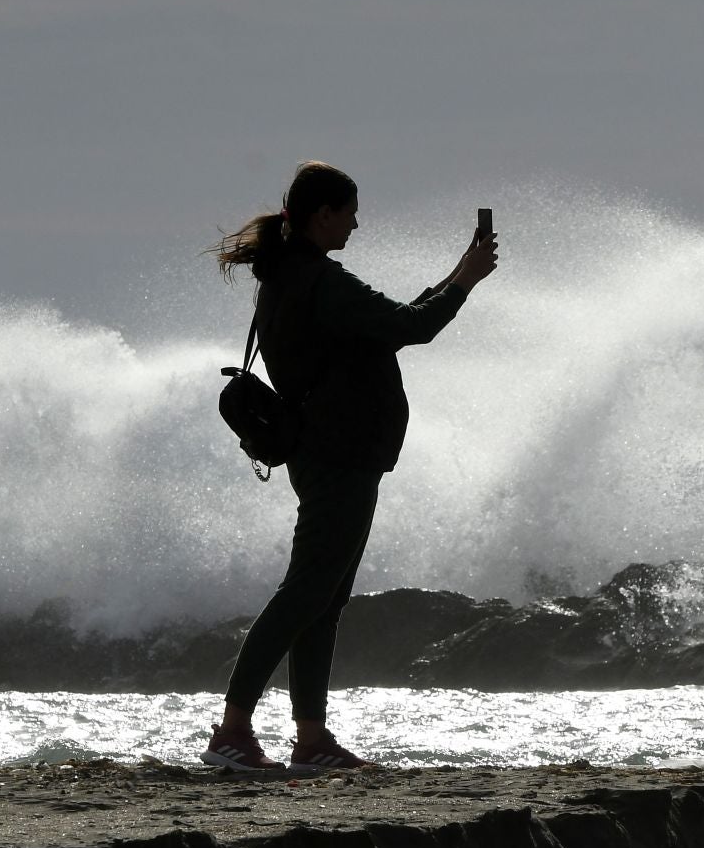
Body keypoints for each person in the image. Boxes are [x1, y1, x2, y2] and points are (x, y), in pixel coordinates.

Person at [202, 161, 498, 771]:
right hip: (339, 453)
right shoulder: (318, 281)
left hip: (328, 451)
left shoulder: (288, 277)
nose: (356, 224)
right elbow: (413, 327)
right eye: (350, 212)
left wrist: (457, 275)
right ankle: (233, 733)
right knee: (306, 592)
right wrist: (466, 280)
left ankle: (311, 740)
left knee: (322, 598)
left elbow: (392, 325)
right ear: (323, 214)